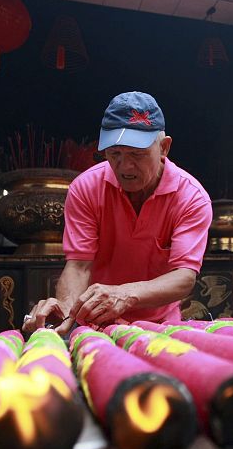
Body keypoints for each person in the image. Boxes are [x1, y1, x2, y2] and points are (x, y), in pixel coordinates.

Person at [23, 91, 212, 335]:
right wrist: (66, 311)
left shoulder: (191, 197)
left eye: (137, 154)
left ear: (164, 147)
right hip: (97, 324)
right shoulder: (86, 188)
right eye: (115, 154)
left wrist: (124, 294)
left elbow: (183, 277)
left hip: (161, 326)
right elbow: (79, 266)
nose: (125, 167)